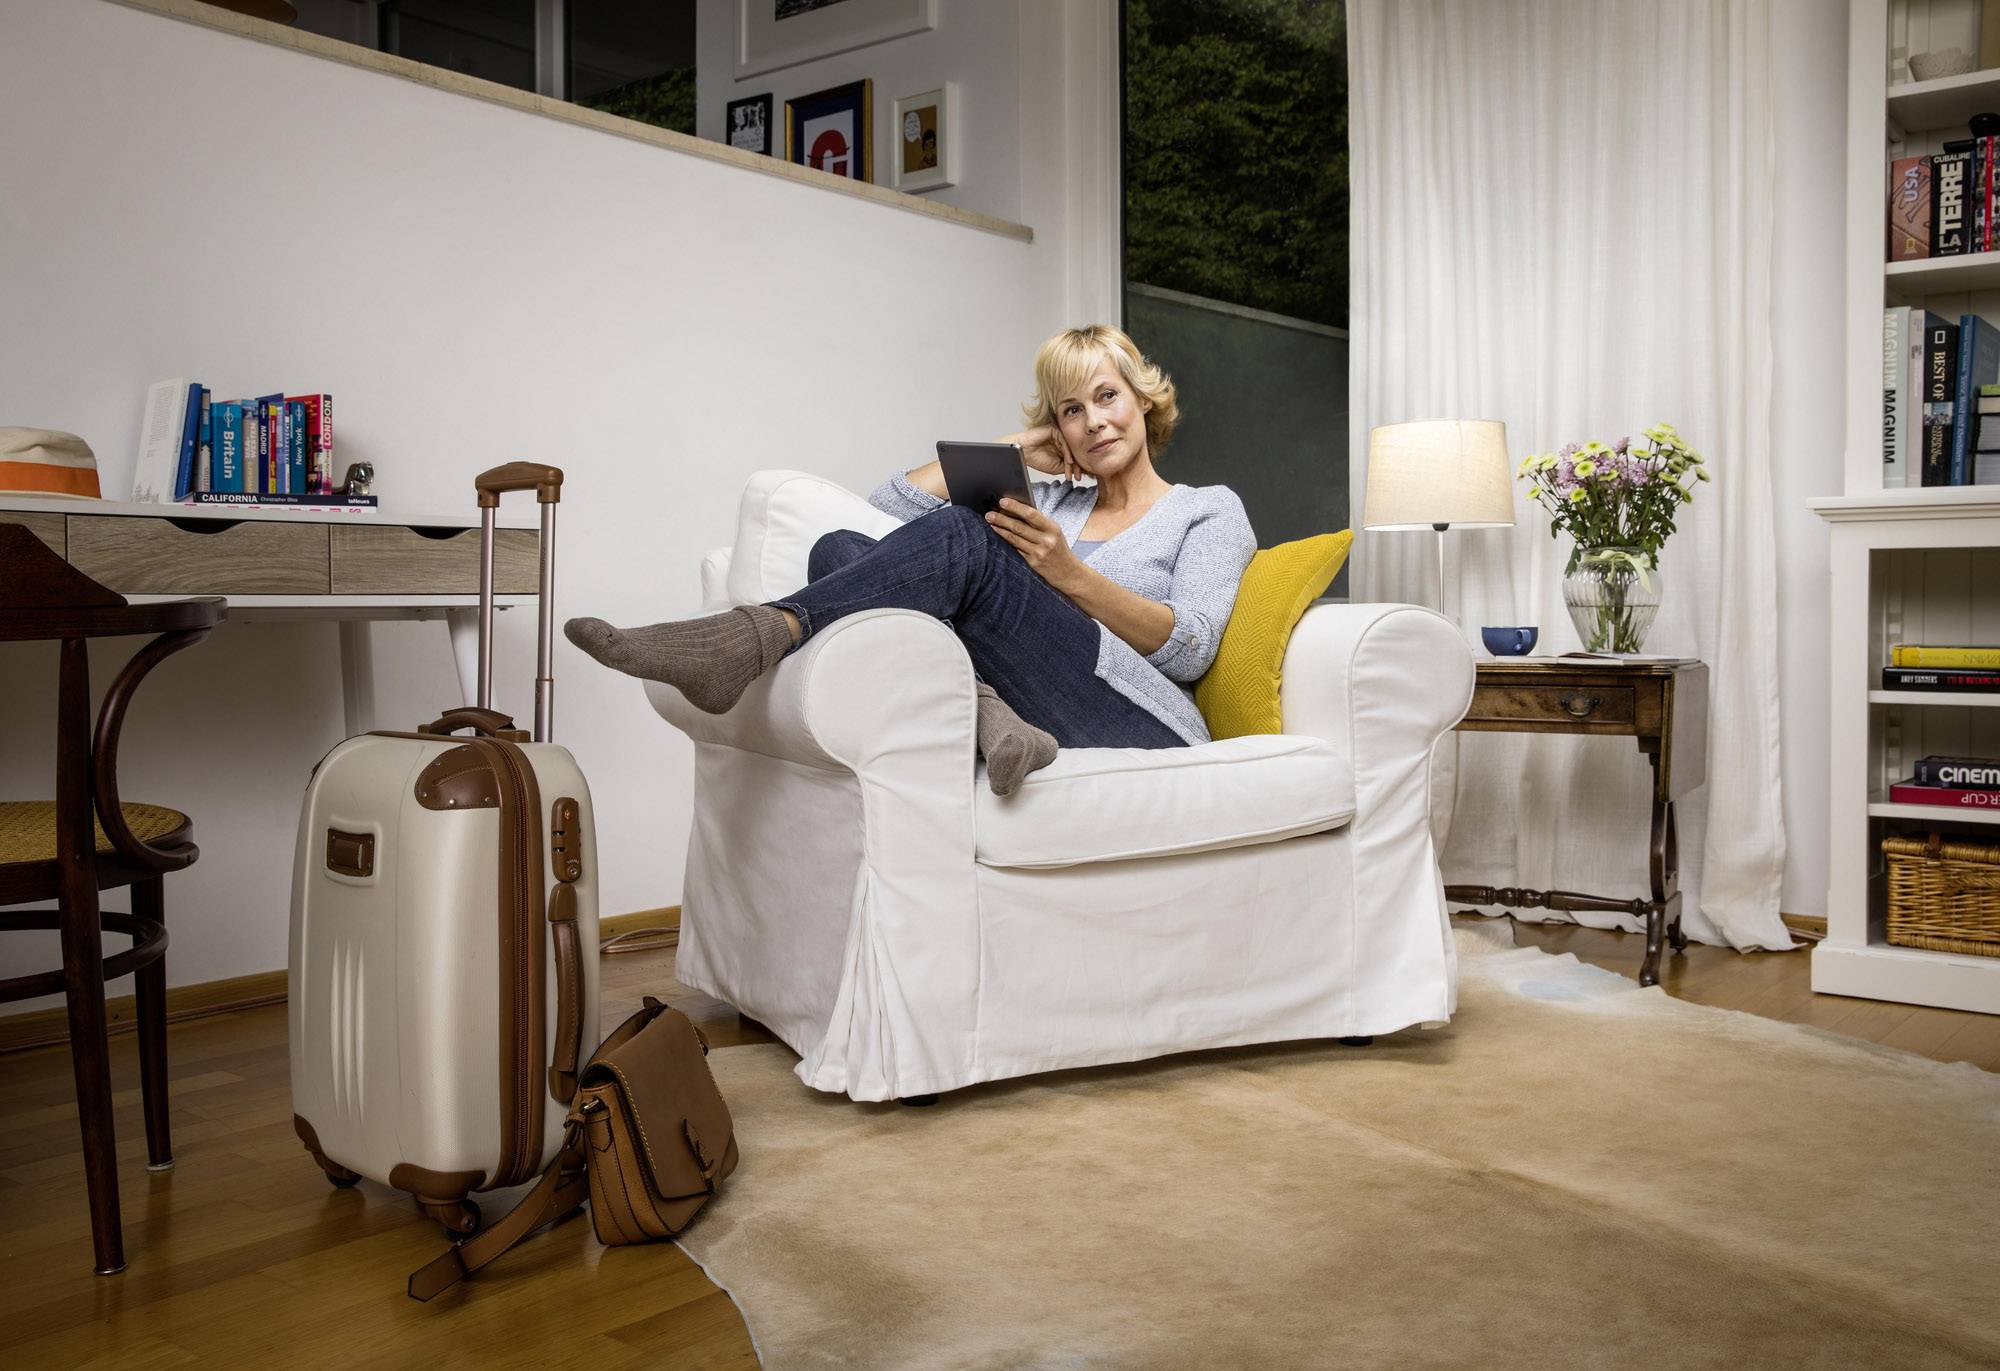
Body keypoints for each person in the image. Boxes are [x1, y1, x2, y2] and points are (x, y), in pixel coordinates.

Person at [566, 324, 1256, 795]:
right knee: (840, 550)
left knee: (962, 536)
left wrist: (1064, 572)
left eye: (1107, 396)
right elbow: (883, 515)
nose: (1094, 420)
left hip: (1145, 719)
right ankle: (991, 712)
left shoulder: (1207, 508)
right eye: (1071, 409)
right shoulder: (1058, 501)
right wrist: (1017, 448)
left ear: (1142, 398)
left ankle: (752, 636)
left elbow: (1192, 647)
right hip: (1040, 696)